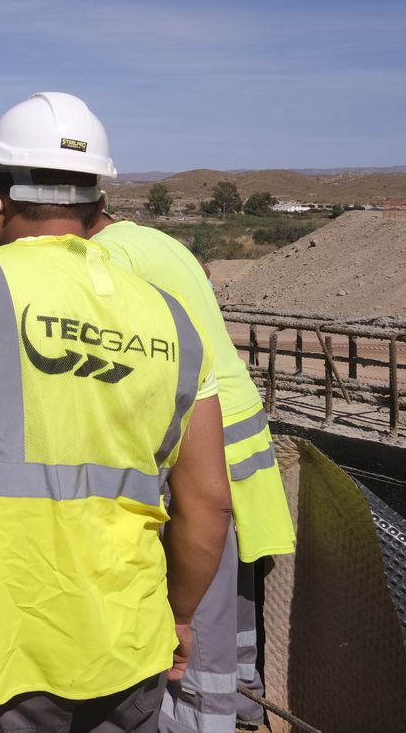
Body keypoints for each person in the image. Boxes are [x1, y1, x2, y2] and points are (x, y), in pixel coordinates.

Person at [0, 92, 233, 733]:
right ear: (99, 206)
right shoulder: (173, 318)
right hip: (127, 650)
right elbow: (209, 503)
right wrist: (174, 617)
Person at [86, 209, 295, 733]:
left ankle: (201, 721)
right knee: (232, 588)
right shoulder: (152, 239)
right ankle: (244, 704)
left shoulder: (110, 256)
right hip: (234, 414)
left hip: (200, 424)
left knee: (196, 590)